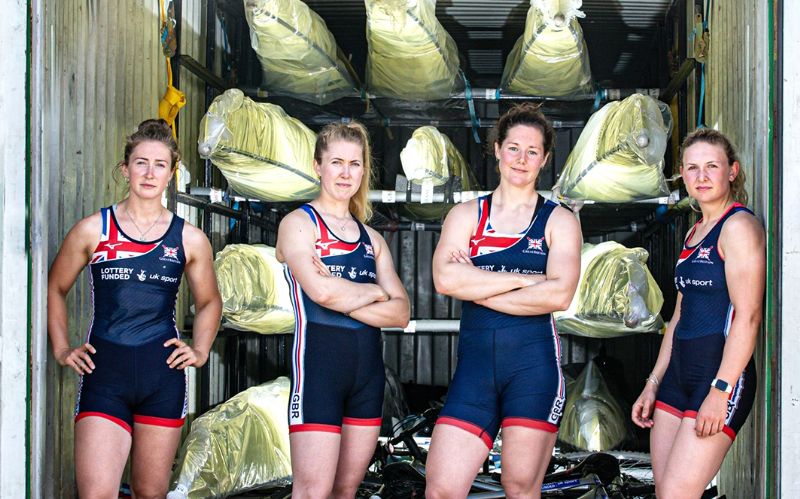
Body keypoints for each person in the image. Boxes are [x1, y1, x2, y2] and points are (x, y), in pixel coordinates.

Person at [47, 119, 222, 499]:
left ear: (172, 173)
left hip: (162, 377)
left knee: (150, 493)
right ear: (125, 169)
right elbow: (56, 287)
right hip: (104, 375)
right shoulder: (94, 229)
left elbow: (209, 301)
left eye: (160, 164)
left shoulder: (189, 239)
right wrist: (62, 348)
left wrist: (201, 350)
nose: (149, 172)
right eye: (140, 162)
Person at [426, 103, 582, 499]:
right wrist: (524, 280)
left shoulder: (559, 220)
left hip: (533, 372)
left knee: (519, 487)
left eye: (532, 151)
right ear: (497, 149)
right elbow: (445, 279)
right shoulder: (465, 215)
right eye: (513, 148)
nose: (521, 159)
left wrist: (476, 283)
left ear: (545, 159)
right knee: (442, 488)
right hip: (475, 374)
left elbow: (559, 294)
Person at [276, 121, 410, 499]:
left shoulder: (373, 240)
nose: (346, 172)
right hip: (318, 374)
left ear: (363, 170)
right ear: (318, 166)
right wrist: (373, 292)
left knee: (346, 491)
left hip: (367, 378)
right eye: (336, 162)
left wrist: (346, 293)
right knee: (312, 491)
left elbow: (400, 314)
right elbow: (321, 293)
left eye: (355, 163)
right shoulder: (299, 224)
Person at [631, 128, 765, 498]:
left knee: (677, 493)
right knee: (665, 492)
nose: (701, 177)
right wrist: (653, 382)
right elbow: (678, 316)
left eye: (712, 166)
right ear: (682, 175)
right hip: (677, 377)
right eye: (692, 168)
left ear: (732, 171)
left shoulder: (737, 227)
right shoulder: (694, 233)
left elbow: (748, 316)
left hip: (719, 377)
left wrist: (720, 390)